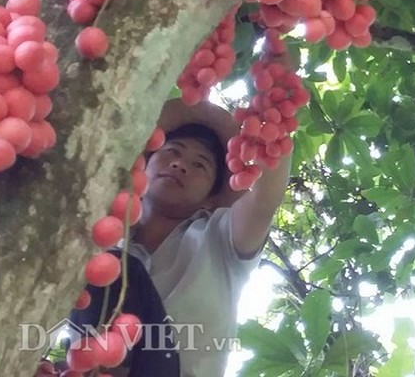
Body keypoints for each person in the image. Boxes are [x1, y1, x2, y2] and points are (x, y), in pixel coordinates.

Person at [38, 96, 291, 377]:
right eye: (172, 152)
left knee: (117, 268)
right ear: (144, 165)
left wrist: (275, 84)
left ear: (211, 198)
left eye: (200, 166)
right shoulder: (100, 234)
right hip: (92, 366)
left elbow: (265, 198)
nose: (180, 165)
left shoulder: (222, 238)